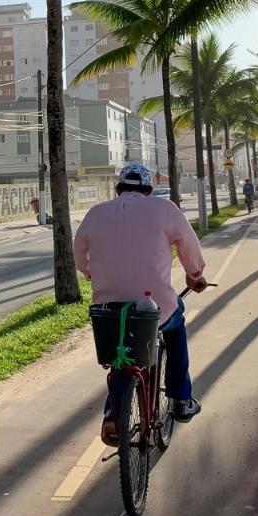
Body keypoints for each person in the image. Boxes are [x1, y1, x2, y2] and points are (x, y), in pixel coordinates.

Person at [74, 162, 208, 446]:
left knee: (121, 353)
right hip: (155, 304)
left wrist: (91, 272)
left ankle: (113, 412)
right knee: (176, 328)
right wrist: (195, 275)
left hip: (107, 308)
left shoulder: (96, 213)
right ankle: (182, 399)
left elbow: (79, 252)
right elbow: (189, 245)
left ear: (118, 188)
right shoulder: (164, 209)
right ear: (148, 189)